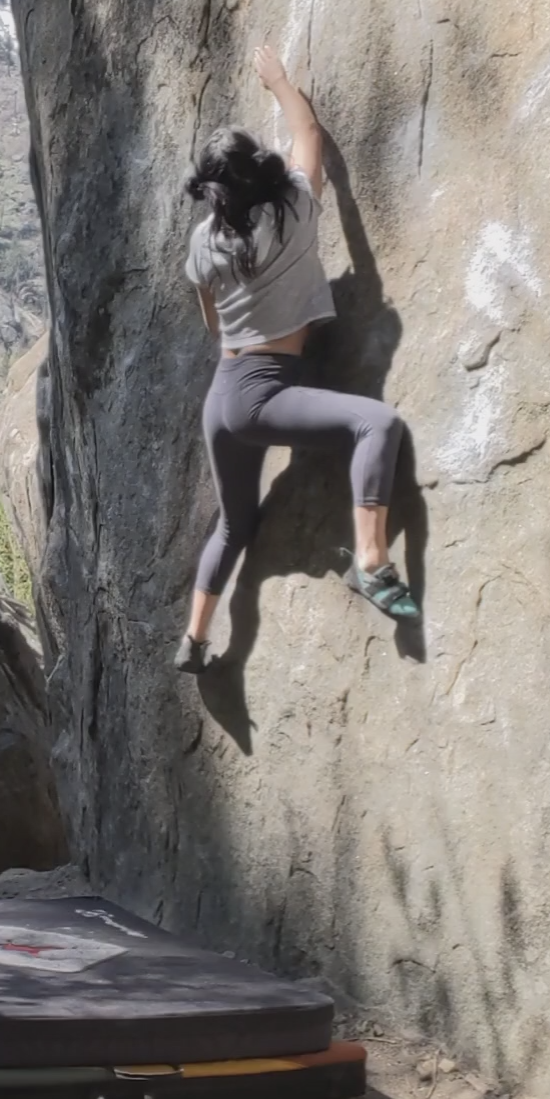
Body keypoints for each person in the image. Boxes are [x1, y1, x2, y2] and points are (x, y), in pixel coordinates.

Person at [176, 41, 419, 674]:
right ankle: (370, 558)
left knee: (234, 526)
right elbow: (308, 132)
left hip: (224, 394)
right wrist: (279, 81)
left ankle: (195, 639)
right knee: (379, 424)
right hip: (266, 396)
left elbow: (209, 312)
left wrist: (233, 334)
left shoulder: (204, 242)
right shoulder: (293, 213)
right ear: (262, 176)